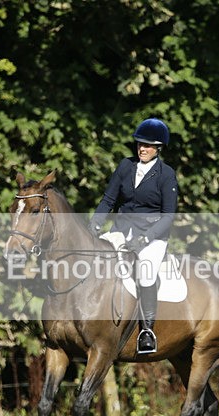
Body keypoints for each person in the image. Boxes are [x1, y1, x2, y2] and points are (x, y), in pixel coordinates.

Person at [88, 118, 178, 354]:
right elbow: (109, 200)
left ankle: (147, 331)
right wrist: (95, 224)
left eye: (148, 146)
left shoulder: (166, 174)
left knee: (146, 273)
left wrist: (146, 239)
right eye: (139, 144)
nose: (142, 149)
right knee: (95, 258)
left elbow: (168, 216)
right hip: (120, 231)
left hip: (152, 237)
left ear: (158, 148)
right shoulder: (125, 166)